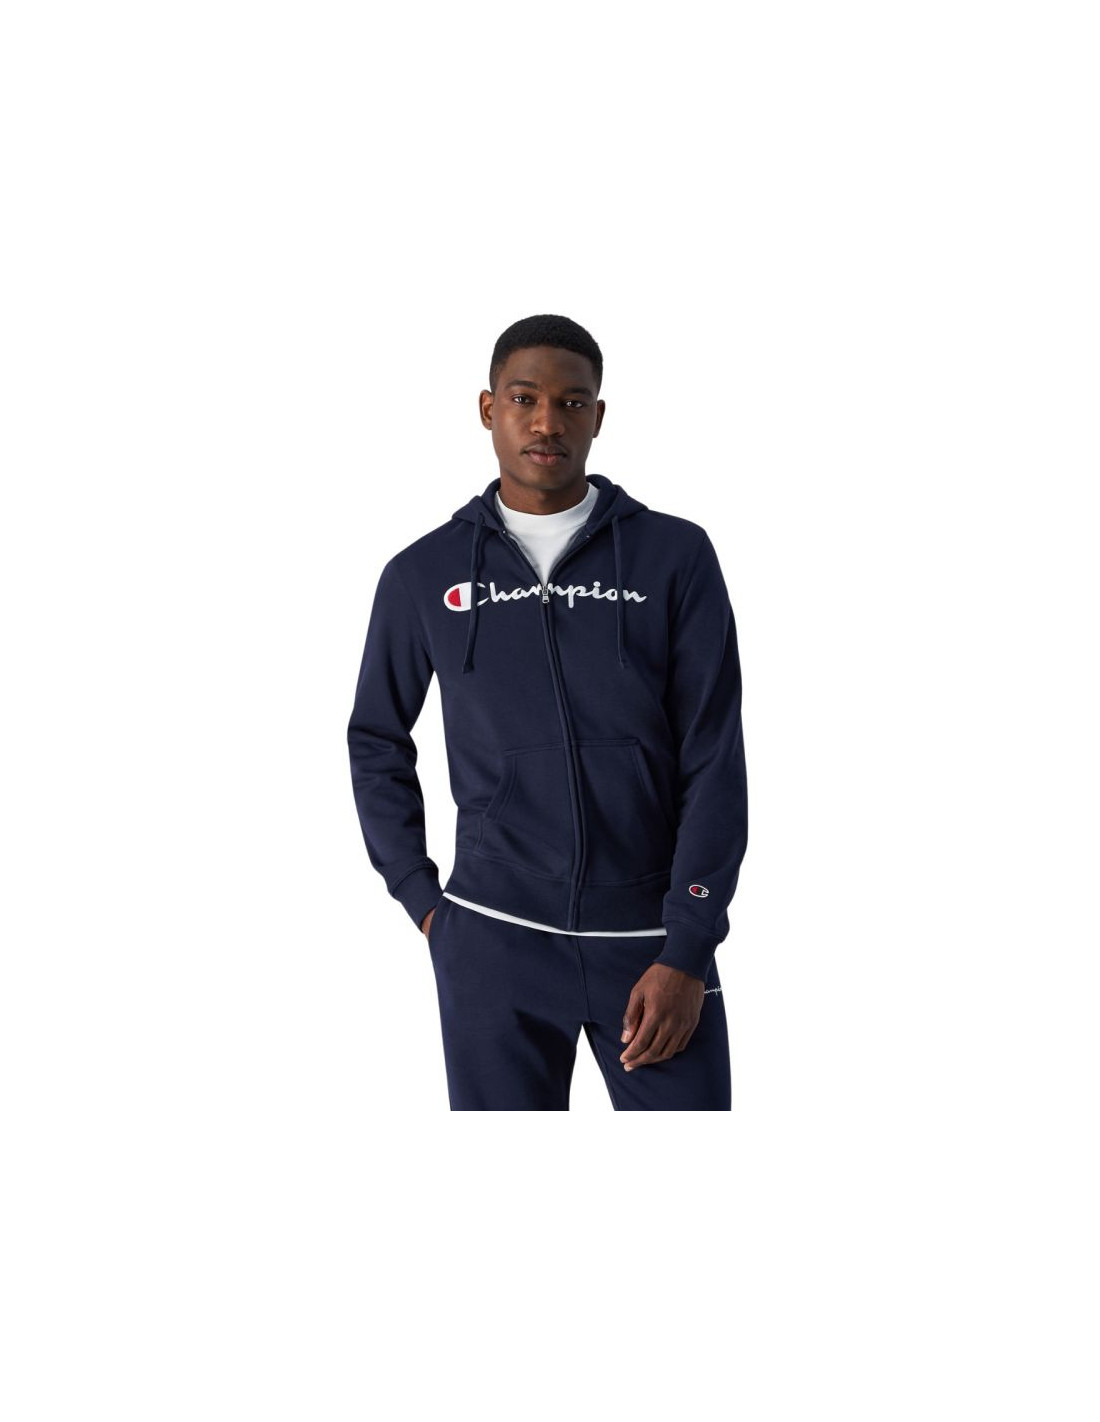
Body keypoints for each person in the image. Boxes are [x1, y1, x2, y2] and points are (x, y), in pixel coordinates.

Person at [347, 314, 748, 1111]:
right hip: (493, 938)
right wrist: (423, 901)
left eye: (571, 402)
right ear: (488, 408)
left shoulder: (675, 557)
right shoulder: (423, 573)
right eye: (525, 398)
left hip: (651, 942)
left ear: (598, 416)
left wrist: (688, 946)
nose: (546, 422)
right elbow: (376, 740)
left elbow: (714, 754)